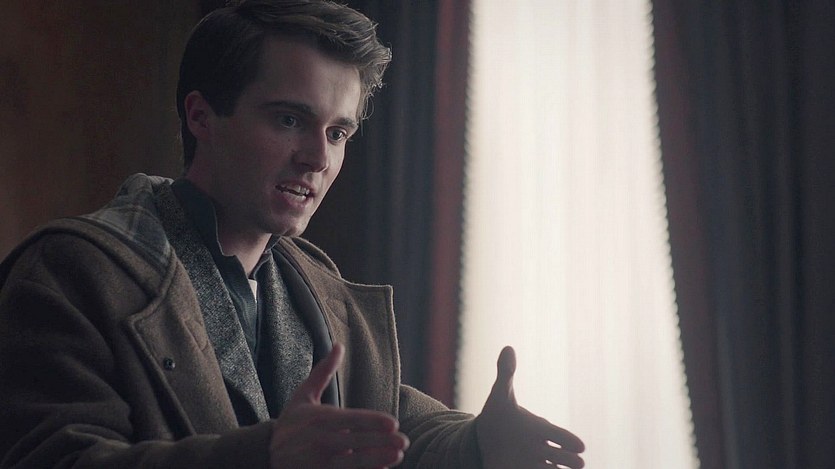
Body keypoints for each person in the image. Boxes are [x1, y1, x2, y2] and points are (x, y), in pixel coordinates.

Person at [0, 1, 585, 467]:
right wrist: (263, 456)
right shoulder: (72, 272)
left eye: (337, 133)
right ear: (201, 117)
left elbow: (389, 420)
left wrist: (479, 443)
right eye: (289, 119)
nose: (317, 158)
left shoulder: (314, 284)